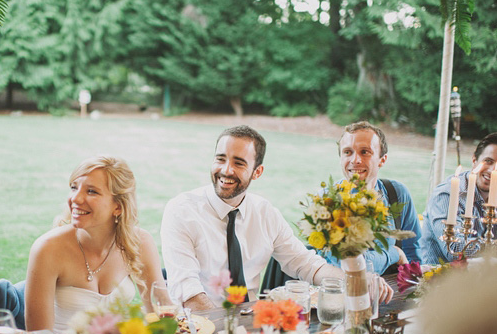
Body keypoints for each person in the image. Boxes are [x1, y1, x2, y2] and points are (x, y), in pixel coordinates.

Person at [161, 125, 393, 311]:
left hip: (250, 322)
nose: (226, 170)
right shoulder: (181, 210)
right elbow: (189, 293)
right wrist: (226, 331)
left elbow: (308, 265)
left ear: (257, 172)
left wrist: (358, 281)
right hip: (199, 328)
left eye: (239, 163)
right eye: (220, 159)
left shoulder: (265, 213)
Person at [23, 156, 166, 334]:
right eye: (74, 187)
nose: (76, 198)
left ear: (118, 207)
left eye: (91, 191)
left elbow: (163, 314)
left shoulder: (140, 242)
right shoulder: (47, 249)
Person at [332, 121, 422, 272]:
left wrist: (413, 284)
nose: (355, 160)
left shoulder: (397, 193)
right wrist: (395, 253)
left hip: (395, 288)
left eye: (365, 152)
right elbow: (352, 266)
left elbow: (413, 254)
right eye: (348, 152)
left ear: (382, 160)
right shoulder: (330, 200)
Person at [421, 132, 497, 264]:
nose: (492, 170)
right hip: (441, 280)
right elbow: (456, 251)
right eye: (488, 161)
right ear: (474, 160)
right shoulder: (448, 195)